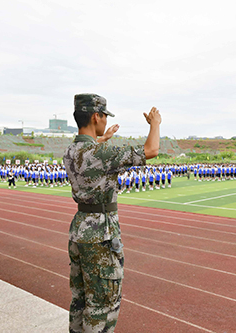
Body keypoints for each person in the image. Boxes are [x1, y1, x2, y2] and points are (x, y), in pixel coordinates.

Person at [63, 93, 161, 333]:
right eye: (104, 116)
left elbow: (89, 154)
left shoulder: (71, 151)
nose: (106, 121)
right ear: (96, 116)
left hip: (80, 229)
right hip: (101, 234)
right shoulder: (102, 154)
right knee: (103, 305)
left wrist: (102, 139)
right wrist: (155, 124)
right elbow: (151, 149)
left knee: (80, 299)